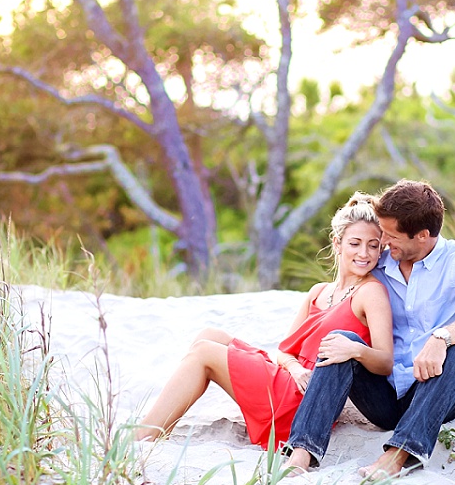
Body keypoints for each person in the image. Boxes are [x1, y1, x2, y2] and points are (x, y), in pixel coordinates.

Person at [284, 179, 455, 478]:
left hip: (440, 391)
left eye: (391, 235)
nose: (384, 242)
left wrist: (442, 337)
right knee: (343, 341)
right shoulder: (382, 262)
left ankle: (397, 456)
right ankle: (301, 453)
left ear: (422, 235)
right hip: (386, 397)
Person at [135, 193, 394, 450]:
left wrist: (356, 350)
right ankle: (161, 429)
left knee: (204, 353)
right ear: (337, 244)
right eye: (355, 243)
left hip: (305, 400)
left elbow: (384, 362)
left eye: (373, 245)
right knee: (209, 335)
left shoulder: (371, 292)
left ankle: (142, 437)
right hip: (291, 377)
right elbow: (284, 352)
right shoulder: (318, 291)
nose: (364, 253)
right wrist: (295, 369)